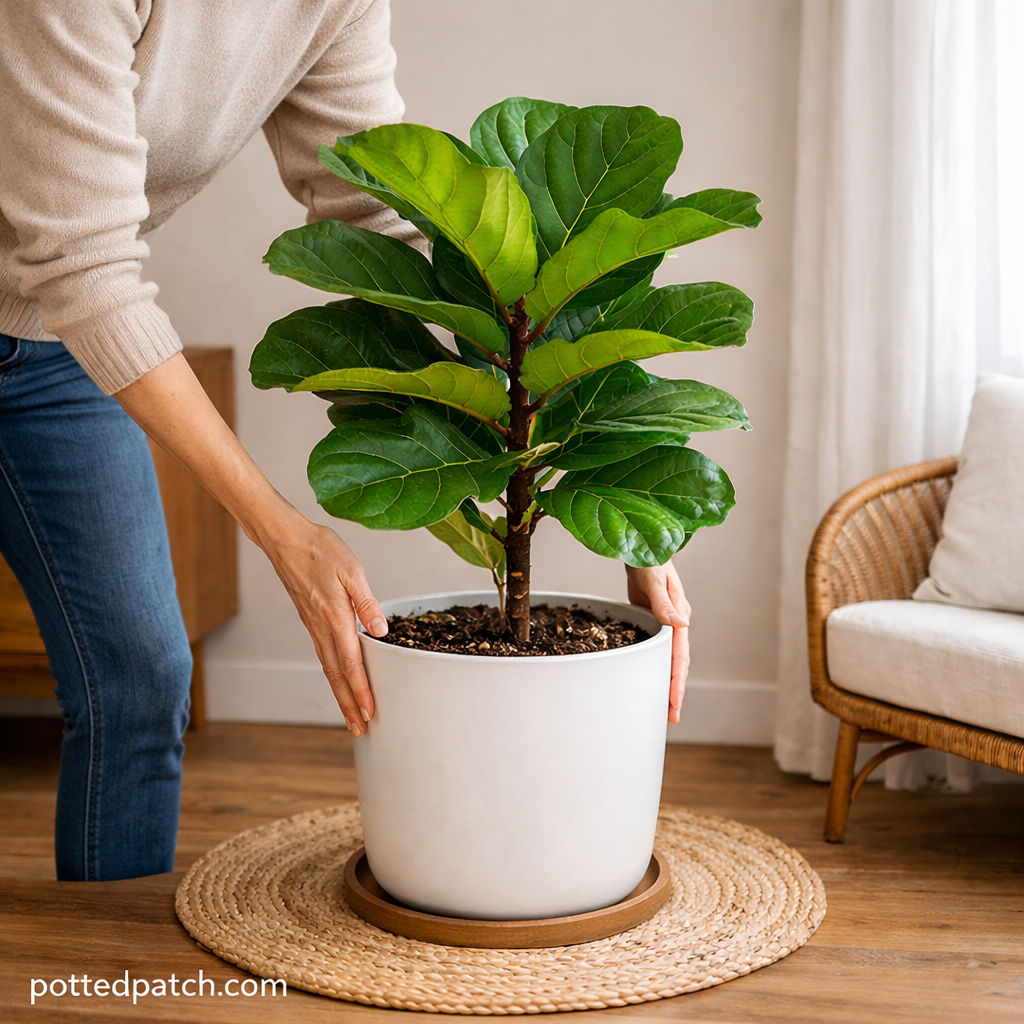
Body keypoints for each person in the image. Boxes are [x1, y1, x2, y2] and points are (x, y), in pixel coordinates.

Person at [0, 0, 691, 882]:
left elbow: (380, 205)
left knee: (138, 680)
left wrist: (626, 493)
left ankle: (109, 987)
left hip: (52, 350)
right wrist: (283, 531)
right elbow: (82, 265)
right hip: (71, 303)